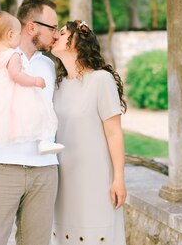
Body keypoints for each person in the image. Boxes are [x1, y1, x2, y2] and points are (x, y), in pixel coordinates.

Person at [0, 0, 62, 245]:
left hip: (44, 171)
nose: (56, 34)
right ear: (32, 27)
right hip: (0, 167)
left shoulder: (47, 66)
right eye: (52, 28)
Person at [50, 19, 127, 245]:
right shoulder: (58, 84)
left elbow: (114, 133)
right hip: (62, 178)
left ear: (77, 42)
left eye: (63, 33)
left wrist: (119, 179)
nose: (56, 36)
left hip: (96, 178)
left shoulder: (101, 80)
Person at [0, 11, 64, 170]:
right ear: (10, 35)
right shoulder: (14, 55)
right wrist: (35, 81)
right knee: (41, 111)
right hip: (10, 94)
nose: (19, 38)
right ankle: (45, 142)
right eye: (18, 34)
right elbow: (17, 75)